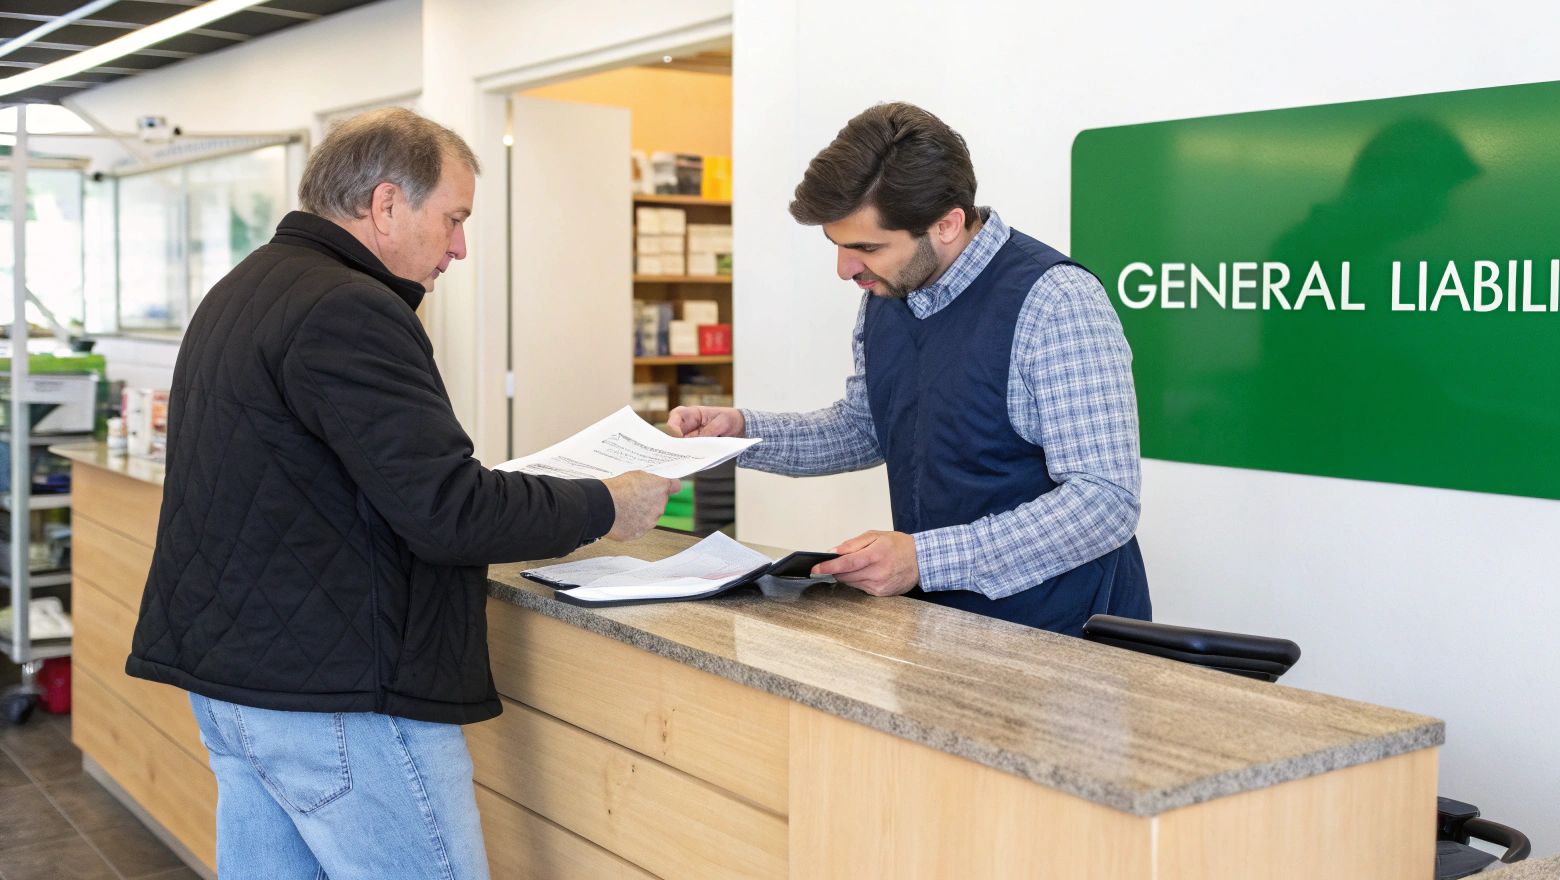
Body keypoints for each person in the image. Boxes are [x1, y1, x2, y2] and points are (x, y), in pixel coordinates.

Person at [126, 107, 677, 880]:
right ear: (386, 206)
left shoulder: (244, 288)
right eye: (453, 219)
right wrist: (607, 505)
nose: (459, 247)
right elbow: (448, 512)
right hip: (337, 699)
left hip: (239, 681)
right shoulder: (348, 309)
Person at [670, 102, 1150, 634]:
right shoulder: (890, 290)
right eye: (837, 246)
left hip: (1063, 634)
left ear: (946, 224)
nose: (845, 269)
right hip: (938, 622)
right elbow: (866, 427)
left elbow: (1105, 501)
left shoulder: (1056, 301)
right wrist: (741, 433)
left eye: (866, 247)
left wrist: (926, 559)